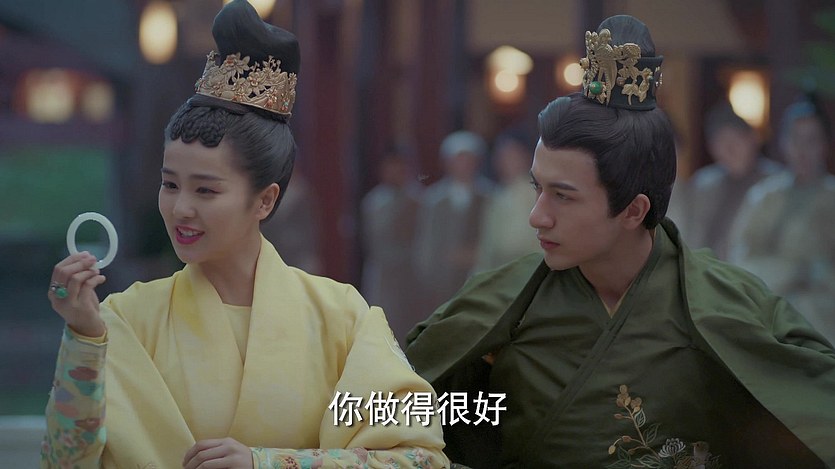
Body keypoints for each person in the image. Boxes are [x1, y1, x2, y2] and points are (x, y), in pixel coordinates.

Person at [405, 15, 835, 469]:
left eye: (563, 196)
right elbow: (385, 407)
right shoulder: (502, 302)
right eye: (537, 189)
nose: (537, 216)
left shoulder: (727, 307)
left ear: (633, 210)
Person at [40, 2, 448, 468]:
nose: (181, 208)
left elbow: (418, 458)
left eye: (206, 190)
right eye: (170, 184)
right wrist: (84, 337)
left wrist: (267, 463)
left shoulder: (341, 318)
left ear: (265, 201)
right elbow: (64, 461)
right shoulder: (125, 319)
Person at [729, 94, 835, 344]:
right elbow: (741, 260)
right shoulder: (764, 197)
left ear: (825, 145)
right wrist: (796, 271)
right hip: (766, 310)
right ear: (784, 143)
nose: (802, 150)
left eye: (811, 140)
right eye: (795, 139)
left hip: (822, 318)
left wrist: (818, 275)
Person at [680, 102, 782, 259]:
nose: (729, 149)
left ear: (753, 138)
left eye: (736, 139)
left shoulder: (777, 184)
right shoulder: (704, 184)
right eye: (720, 142)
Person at [413, 130, 493, 313]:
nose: (464, 165)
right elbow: (425, 246)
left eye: (468, 160)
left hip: (481, 279)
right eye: (458, 160)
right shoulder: (434, 200)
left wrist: (478, 254)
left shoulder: (489, 197)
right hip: (443, 283)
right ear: (448, 163)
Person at [360, 144, 422, 345]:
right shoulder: (374, 202)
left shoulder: (418, 199)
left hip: (411, 273)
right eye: (390, 167)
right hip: (382, 274)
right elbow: (374, 241)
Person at [471, 130, 539, 273]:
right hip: (501, 272)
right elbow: (487, 247)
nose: (505, 161)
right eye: (501, 156)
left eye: (511, 155)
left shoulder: (537, 193)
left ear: (526, 157)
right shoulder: (497, 195)